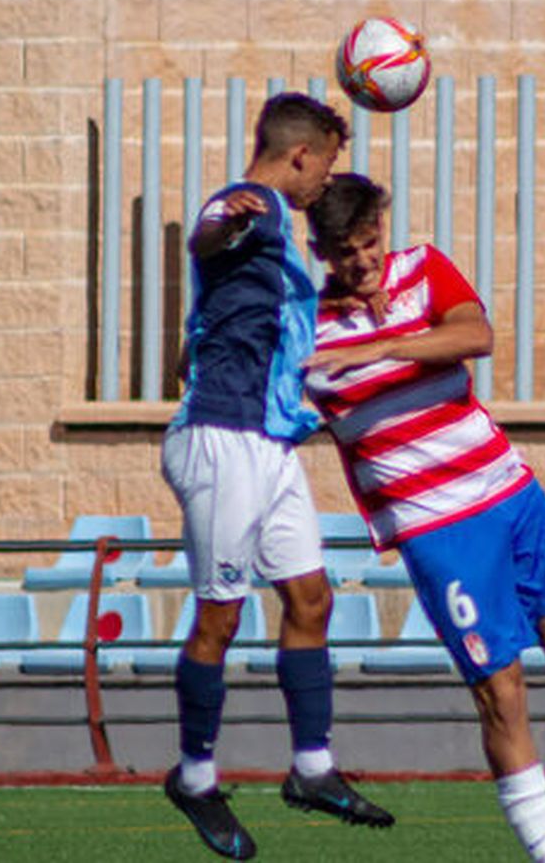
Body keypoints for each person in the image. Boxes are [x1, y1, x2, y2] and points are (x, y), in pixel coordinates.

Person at [302, 174, 545, 863]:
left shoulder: (422, 268)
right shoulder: (307, 325)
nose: (364, 261)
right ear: (319, 251)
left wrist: (385, 345)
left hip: (508, 490)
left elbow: (476, 334)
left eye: (370, 242)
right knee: (500, 691)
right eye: (346, 251)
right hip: (436, 526)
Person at [160, 93, 394, 860]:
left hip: (269, 441)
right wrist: (220, 226)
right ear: (300, 154)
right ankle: (194, 777)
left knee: (310, 596)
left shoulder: (280, 238)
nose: (327, 178)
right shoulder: (253, 205)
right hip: (223, 438)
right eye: (325, 162)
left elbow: (267, 312)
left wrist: (352, 295)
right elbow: (210, 232)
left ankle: (312, 768)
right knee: (221, 618)